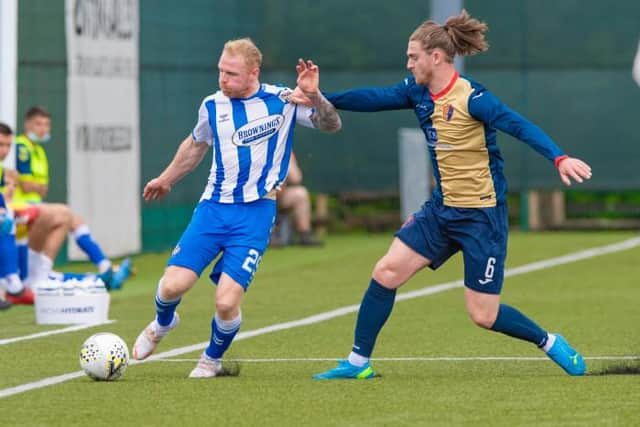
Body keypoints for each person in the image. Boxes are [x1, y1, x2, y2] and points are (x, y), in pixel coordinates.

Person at [305, 10, 592, 379]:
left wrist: (559, 157)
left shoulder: (473, 98)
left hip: (481, 218)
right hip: (442, 211)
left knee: (483, 316)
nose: (408, 63)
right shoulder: (417, 92)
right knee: (386, 271)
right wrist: (319, 96)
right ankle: (358, 363)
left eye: (413, 56)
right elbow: (375, 98)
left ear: (435, 57)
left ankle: (549, 341)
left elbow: (518, 125)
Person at [131, 38, 341, 378]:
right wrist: (167, 178)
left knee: (226, 302)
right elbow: (196, 145)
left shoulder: (283, 100)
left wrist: (316, 96)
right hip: (213, 208)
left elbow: (331, 125)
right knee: (172, 286)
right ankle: (162, 323)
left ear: (253, 73)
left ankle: (211, 359)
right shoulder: (212, 105)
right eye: (220, 71)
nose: (222, 80)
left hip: (256, 215)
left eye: (231, 74)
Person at [0, 123, 126, 294]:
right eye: (39, 124)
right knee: (63, 214)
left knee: (72, 218)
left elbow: (33, 187)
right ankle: (29, 278)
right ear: (28, 124)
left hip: (23, 212)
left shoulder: (35, 152)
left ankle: (102, 273)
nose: (6, 150)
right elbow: (28, 186)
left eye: (8, 145)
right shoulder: (23, 147)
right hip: (22, 210)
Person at [272, 152, 323, 247]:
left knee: (300, 193)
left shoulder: (285, 149)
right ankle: (269, 235)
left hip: (278, 196)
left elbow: (296, 178)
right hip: (253, 196)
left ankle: (305, 234)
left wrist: (286, 160)